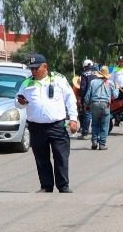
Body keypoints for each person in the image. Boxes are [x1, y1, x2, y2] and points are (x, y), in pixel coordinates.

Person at [17, 54, 78, 192]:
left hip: (57, 125)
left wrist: (73, 119)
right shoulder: (26, 83)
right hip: (36, 127)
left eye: (36, 68)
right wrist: (19, 101)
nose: (33, 71)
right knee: (41, 158)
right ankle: (46, 186)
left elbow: (70, 99)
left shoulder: (58, 79)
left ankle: (63, 186)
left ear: (45, 66)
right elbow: (18, 101)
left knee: (61, 156)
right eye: (31, 69)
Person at [83, 63, 115, 151]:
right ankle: (102, 144)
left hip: (95, 104)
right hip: (105, 105)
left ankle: (94, 142)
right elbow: (115, 95)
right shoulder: (110, 83)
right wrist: (116, 88)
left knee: (95, 124)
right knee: (105, 125)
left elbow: (87, 96)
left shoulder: (93, 82)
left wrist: (86, 104)